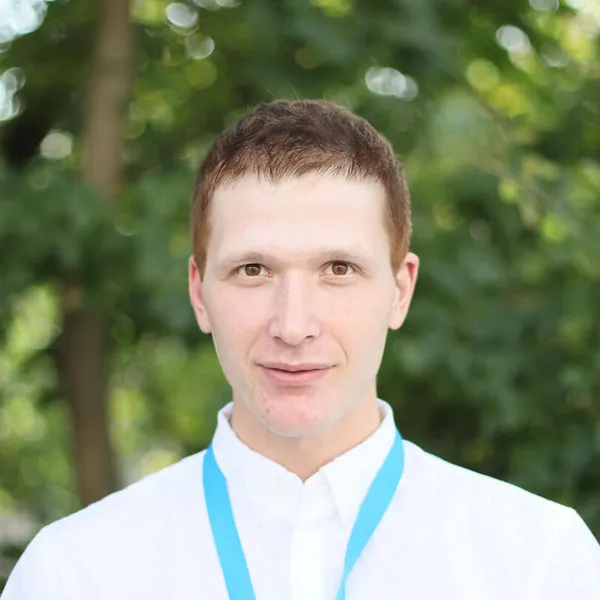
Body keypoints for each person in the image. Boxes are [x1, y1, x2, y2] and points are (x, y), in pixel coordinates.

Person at [3, 99, 599, 600]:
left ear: (400, 290)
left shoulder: (539, 563)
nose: (293, 325)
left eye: (338, 268)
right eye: (253, 270)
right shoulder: (75, 573)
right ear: (199, 294)